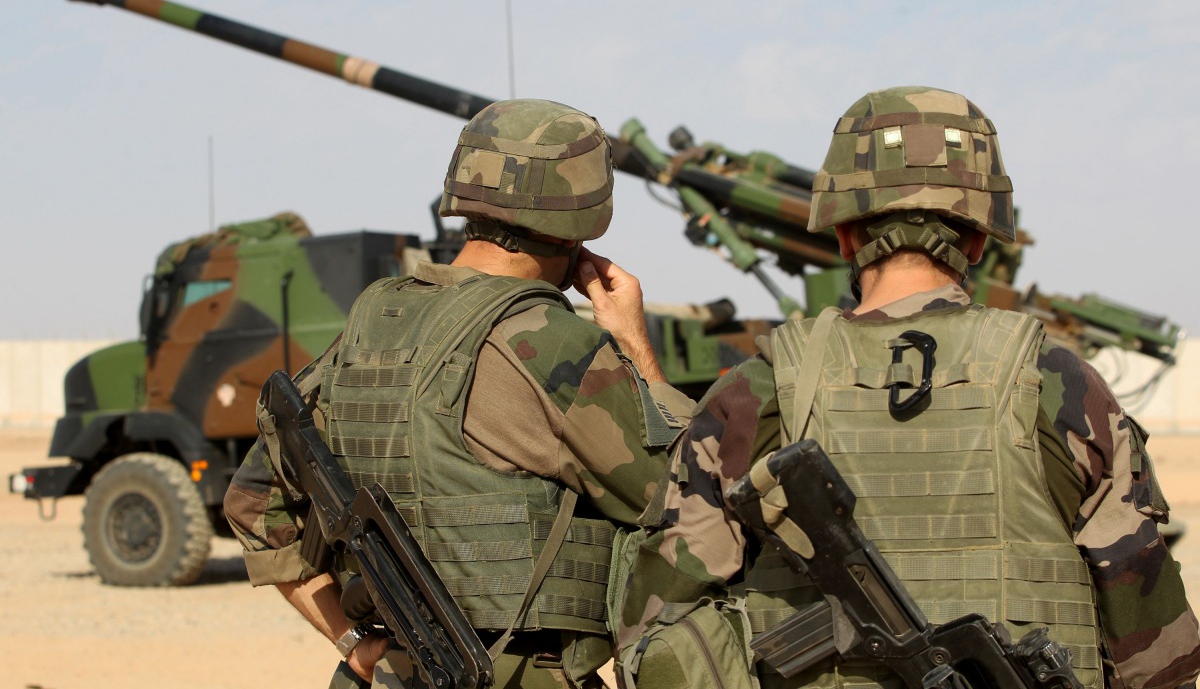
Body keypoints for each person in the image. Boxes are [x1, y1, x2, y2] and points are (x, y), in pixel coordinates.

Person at [617, 86, 1200, 689]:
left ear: (843, 236)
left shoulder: (755, 390)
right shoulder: (1062, 383)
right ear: (978, 240)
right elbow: (1156, 649)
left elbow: (659, 632)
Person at [224, 98, 693, 688]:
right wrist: (636, 351)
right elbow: (691, 497)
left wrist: (353, 642)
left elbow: (253, 504)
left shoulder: (374, 321)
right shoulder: (552, 344)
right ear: (582, 217)